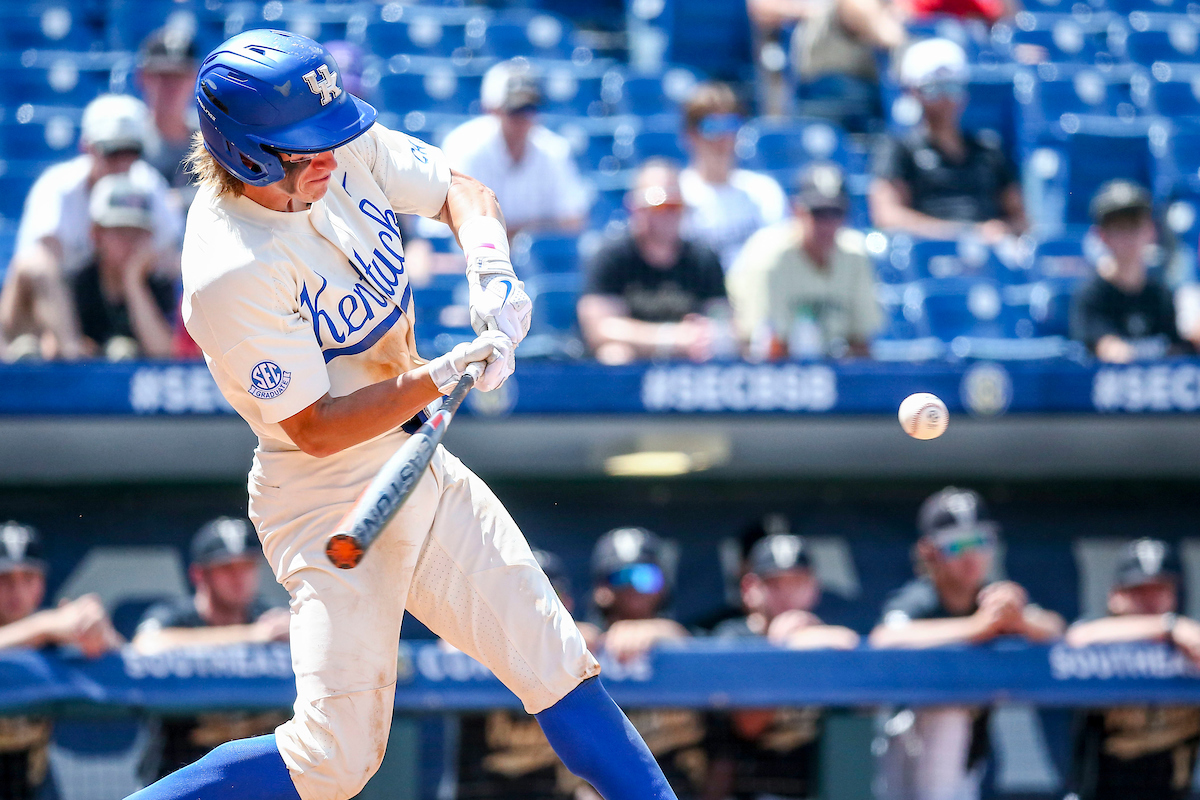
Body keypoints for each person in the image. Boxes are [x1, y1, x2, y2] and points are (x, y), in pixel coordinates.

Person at [128, 30, 677, 800]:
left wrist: (491, 269)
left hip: (418, 460)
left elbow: (460, 188)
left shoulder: (338, 144)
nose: (331, 153)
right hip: (324, 494)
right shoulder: (228, 267)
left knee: (557, 661)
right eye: (307, 149)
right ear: (249, 157)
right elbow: (316, 428)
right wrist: (440, 373)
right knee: (335, 759)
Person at [869, 487, 1064, 800]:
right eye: (957, 544)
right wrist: (976, 627)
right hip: (907, 742)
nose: (971, 555)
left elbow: (1055, 628)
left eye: (981, 541)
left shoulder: (992, 599)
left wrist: (1019, 620)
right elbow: (885, 637)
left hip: (969, 752)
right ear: (930, 551)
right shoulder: (920, 599)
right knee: (947, 712)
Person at [0, 94, 183, 362]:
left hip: (115, 305)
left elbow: (171, 259)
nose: (122, 162)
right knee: (38, 265)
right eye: (113, 152)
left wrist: (135, 265)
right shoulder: (57, 187)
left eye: (131, 152)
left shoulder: (148, 184)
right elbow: (36, 268)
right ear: (88, 147)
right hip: (49, 311)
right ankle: (68, 355)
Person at [133, 517, 291, 780]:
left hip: (256, 783)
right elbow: (146, 645)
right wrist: (250, 636)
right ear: (199, 574)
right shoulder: (175, 617)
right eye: (226, 568)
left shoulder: (271, 619)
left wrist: (299, 632)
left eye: (246, 566)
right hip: (179, 779)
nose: (239, 578)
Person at [704, 533, 859, 800]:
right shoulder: (732, 636)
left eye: (797, 583)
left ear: (814, 587)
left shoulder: (818, 635)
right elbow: (748, 725)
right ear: (750, 588)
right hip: (749, 788)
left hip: (814, 786)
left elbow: (853, 649)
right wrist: (784, 647)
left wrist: (812, 637)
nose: (787, 595)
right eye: (775, 584)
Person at [1065, 538, 1200, 800]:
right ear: (1115, 597)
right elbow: (1077, 638)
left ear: (1174, 594)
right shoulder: (1100, 637)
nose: (1150, 600)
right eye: (1138, 590)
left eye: (1159, 589)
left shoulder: (1191, 642)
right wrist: (1168, 626)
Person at [453, 548, 592, 800]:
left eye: (549, 594)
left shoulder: (585, 643)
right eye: (522, 595)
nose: (535, 606)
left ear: (568, 602)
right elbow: (449, 647)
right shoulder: (473, 642)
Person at [0, 521, 123, 800]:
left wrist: (97, 630)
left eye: (27, 577)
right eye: (5, 578)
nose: (17, 590)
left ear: (41, 584)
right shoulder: (46, 627)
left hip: (30, 784)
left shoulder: (53, 635)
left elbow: (128, 660)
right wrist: (44, 625)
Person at [586, 527, 704, 800]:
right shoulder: (586, 641)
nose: (634, 586)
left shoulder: (683, 637)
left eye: (646, 576)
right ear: (601, 588)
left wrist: (662, 631)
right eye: (622, 576)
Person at [870, 39, 1026, 242]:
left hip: (990, 253)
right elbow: (887, 216)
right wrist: (962, 235)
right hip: (927, 254)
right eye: (933, 89)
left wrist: (1002, 230)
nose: (945, 99)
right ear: (913, 92)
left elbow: (1021, 218)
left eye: (953, 87)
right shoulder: (899, 148)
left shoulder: (988, 148)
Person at [577, 160, 730, 364]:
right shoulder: (611, 256)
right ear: (635, 208)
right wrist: (670, 338)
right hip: (636, 357)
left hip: (690, 360)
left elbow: (722, 317)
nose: (668, 214)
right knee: (614, 353)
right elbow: (599, 328)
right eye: (659, 205)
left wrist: (707, 333)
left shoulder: (703, 259)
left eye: (675, 206)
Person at [727, 161, 881, 359]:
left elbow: (861, 340)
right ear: (797, 210)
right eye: (818, 213)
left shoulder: (855, 253)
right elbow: (759, 343)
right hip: (780, 370)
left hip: (837, 365)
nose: (827, 224)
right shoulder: (768, 255)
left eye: (835, 212)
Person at [434, 59, 590, 237]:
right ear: (492, 110)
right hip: (471, 252)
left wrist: (515, 234)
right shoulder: (463, 146)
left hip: (531, 254)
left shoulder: (554, 150)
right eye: (515, 110)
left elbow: (574, 220)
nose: (524, 118)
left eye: (531, 108)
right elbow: (442, 226)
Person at [1070, 180, 1191, 363]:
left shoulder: (1160, 295)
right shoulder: (1090, 297)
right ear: (1102, 236)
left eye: (1135, 224)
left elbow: (1174, 352)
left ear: (1151, 231)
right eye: (1118, 227)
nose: (1128, 236)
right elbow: (1106, 349)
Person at [678, 82, 788, 272]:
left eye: (730, 125)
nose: (723, 138)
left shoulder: (765, 192)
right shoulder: (678, 197)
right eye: (711, 127)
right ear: (690, 135)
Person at [69, 173, 179, 360]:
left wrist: (133, 282)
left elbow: (163, 353)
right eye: (120, 231)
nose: (130, 242)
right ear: (96, 235)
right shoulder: (78, 283)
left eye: (137, 232)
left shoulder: (160, 285)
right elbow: (60, 349)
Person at [138, 25, 201, 191]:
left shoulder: (211, 141)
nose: (171, 86)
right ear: (143, 76)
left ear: (194, 77)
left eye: (179, 75)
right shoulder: (128, 142)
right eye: (163, 75)